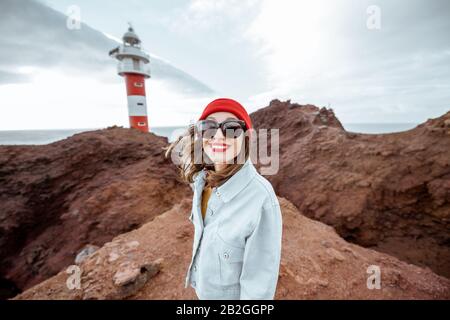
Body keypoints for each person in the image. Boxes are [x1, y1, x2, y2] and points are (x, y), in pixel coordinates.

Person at [164, 97, 282, 300]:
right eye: (208, 127)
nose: (218, 136)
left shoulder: (261, 199)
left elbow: (258, 289)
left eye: (231, 128)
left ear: (246, 137)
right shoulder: (202, 181)